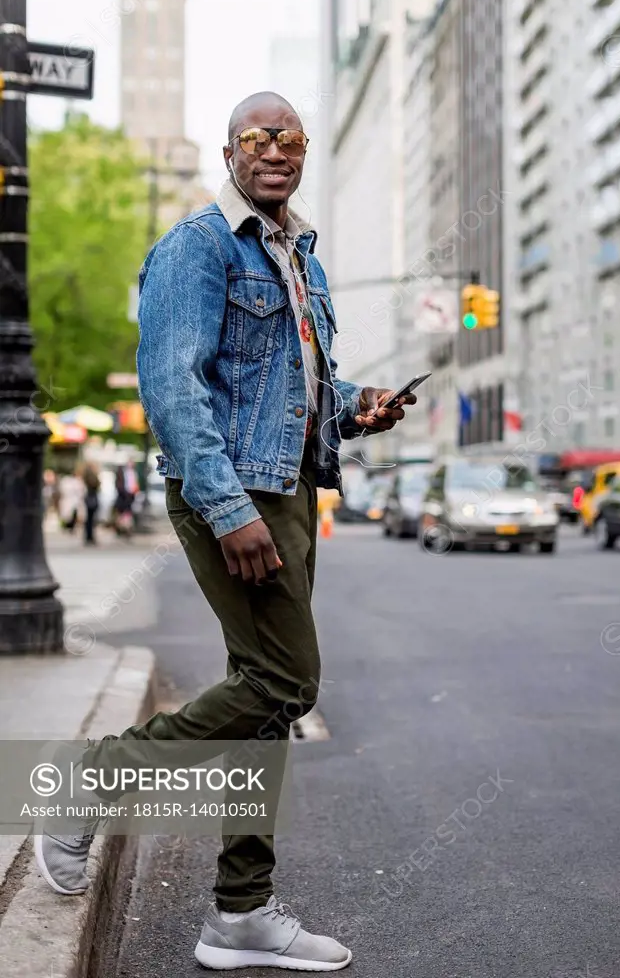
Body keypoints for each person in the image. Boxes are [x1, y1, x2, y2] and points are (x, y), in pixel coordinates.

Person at [34, 92, 416, 971]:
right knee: (290, 678)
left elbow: (294, 389)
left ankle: (240, 912)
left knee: (267, 694)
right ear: (232, 151)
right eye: (259, 137)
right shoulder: (197, 249)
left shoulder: (302, 259)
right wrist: (229, 510)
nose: (276, 150)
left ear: (303, 153)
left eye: (291, 138)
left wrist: (360, 407)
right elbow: (174, 391)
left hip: (287, 488)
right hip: (233, 494)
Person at [81, 461, 101, 545]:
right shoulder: (90, 474)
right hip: (91, 497)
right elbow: (95, 483)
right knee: (90, 519)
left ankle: (89, 536)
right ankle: (89, 536)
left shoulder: (87, 474)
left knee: (90, 518)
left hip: (90, 497)